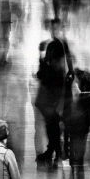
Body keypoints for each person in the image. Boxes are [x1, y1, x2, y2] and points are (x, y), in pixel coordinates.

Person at [34, 35, 74, 166]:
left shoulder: (55, 70)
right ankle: (54, 151)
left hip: (50, 105)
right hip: (50, 106)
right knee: (51, 128)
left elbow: (41, 75)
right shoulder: (55, 68)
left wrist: (41, 57)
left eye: (48, 51)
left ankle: (54, 151)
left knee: (53, 129)